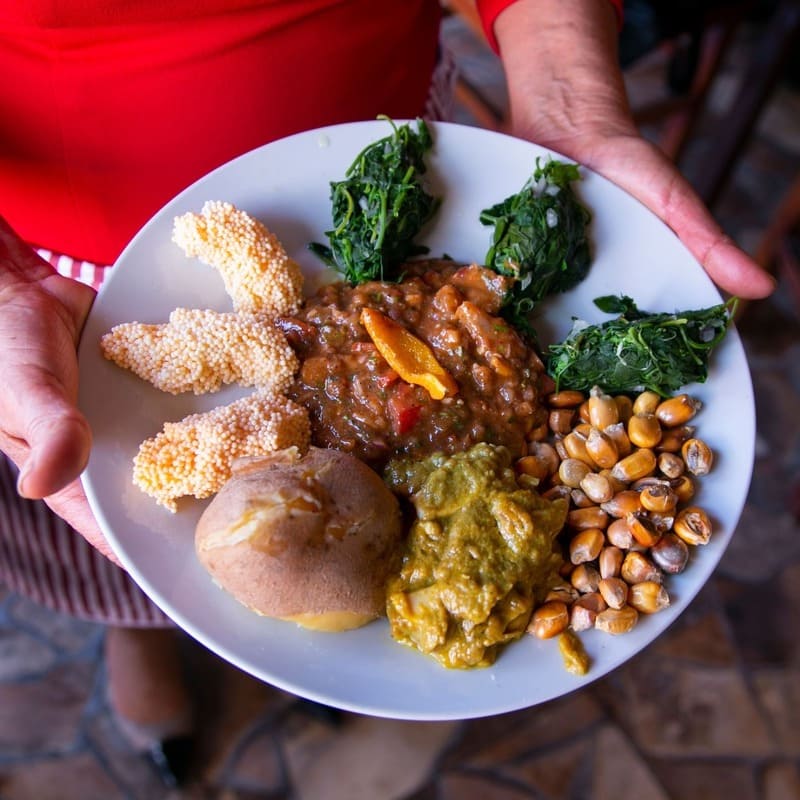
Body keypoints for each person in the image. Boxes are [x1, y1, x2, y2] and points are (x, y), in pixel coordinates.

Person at [0, 0, 775, 785]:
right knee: (116, 542)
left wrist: (567, 96)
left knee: (287, 577)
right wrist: (6, 284)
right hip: (56, 262)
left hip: (381, 117)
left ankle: (289, 664)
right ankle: (136, 635)